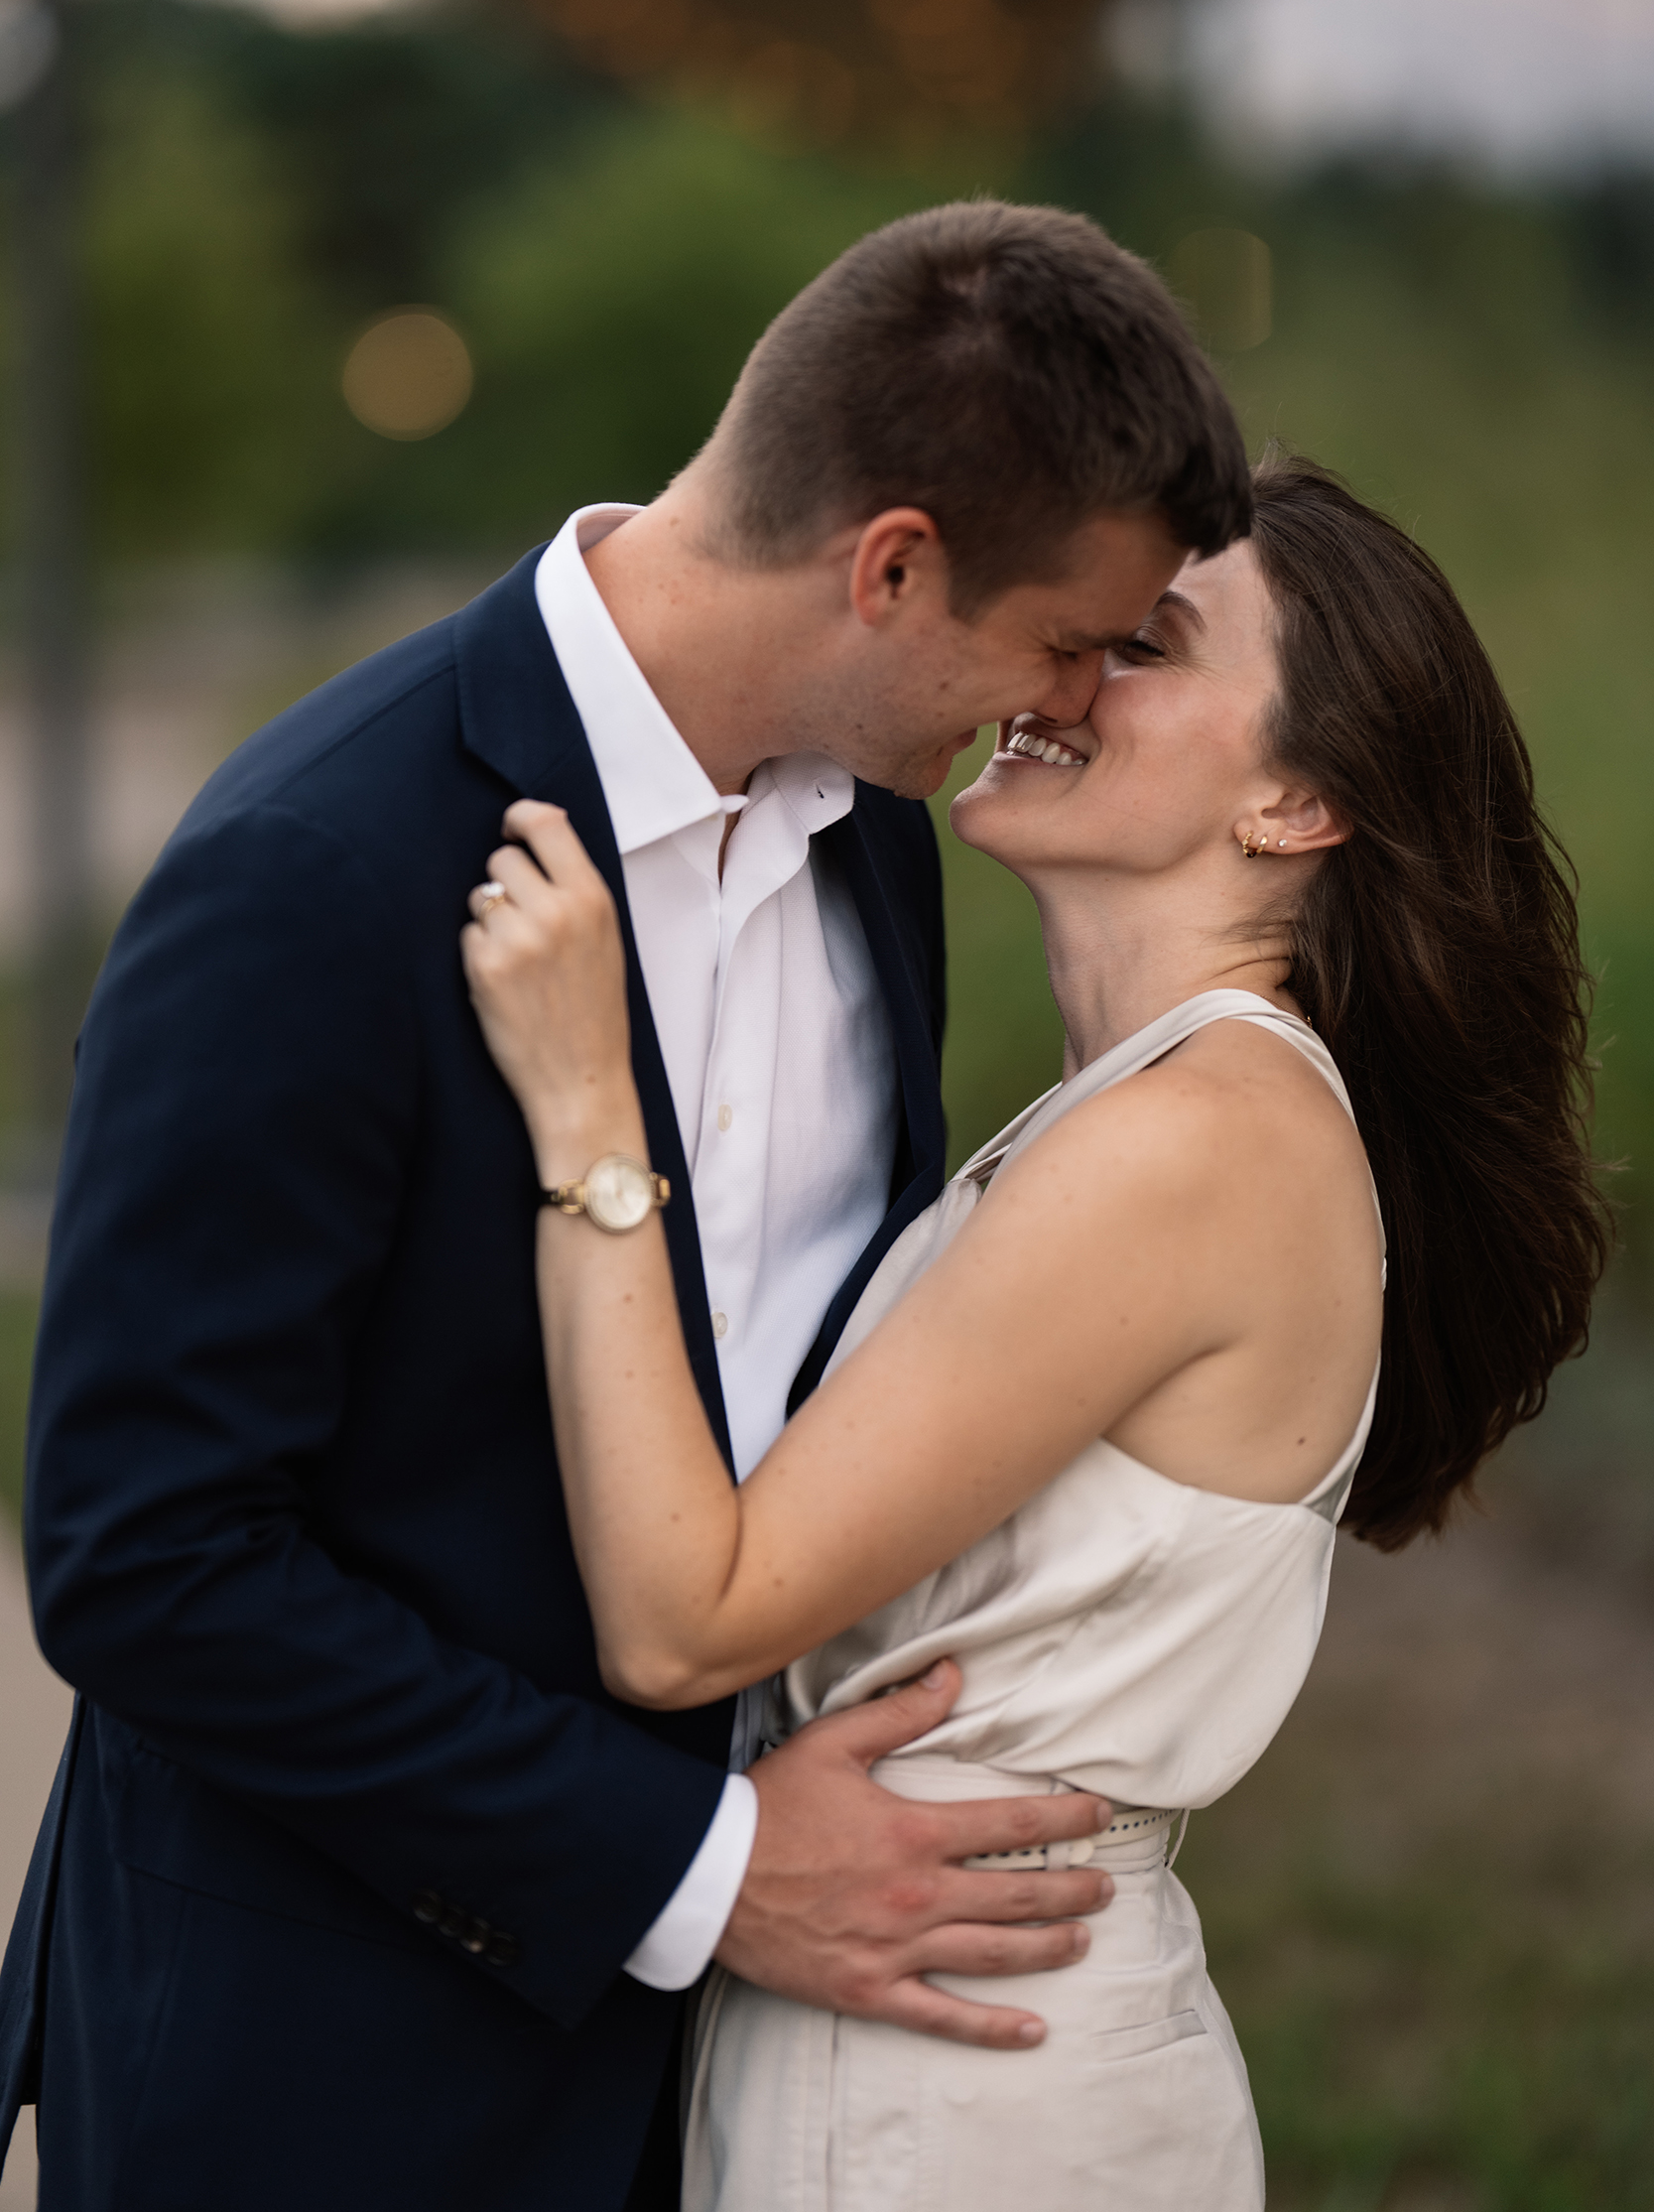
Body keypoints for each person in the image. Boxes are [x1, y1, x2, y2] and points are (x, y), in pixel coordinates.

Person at [0, 200, 1253, 2211]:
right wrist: (708, 1867)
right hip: (323, 2080)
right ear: (894, 564)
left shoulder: (881, 852)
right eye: (1069, 639)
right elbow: (147, 1554)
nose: (1073, 702)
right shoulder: (315, 866)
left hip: (718, 2092)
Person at [462, 454, 1612, 2209]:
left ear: (1298, 801)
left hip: (964, 2089)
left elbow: (685, 1615)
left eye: (1142, 642)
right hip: (926, 2025)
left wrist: (589, 1113)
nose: (1056, 673)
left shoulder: (1199, 1144)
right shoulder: (1148, 1113)